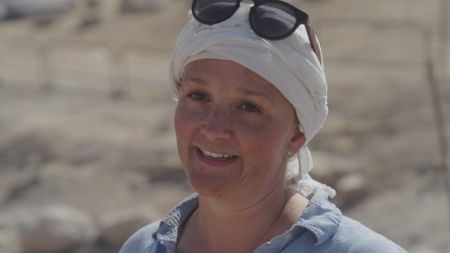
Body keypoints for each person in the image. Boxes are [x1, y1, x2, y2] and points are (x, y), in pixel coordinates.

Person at [120, 1, 407, 252]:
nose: (214, 129)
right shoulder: (142, 247)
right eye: (198, 96)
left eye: (249, 107)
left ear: (296, 135)